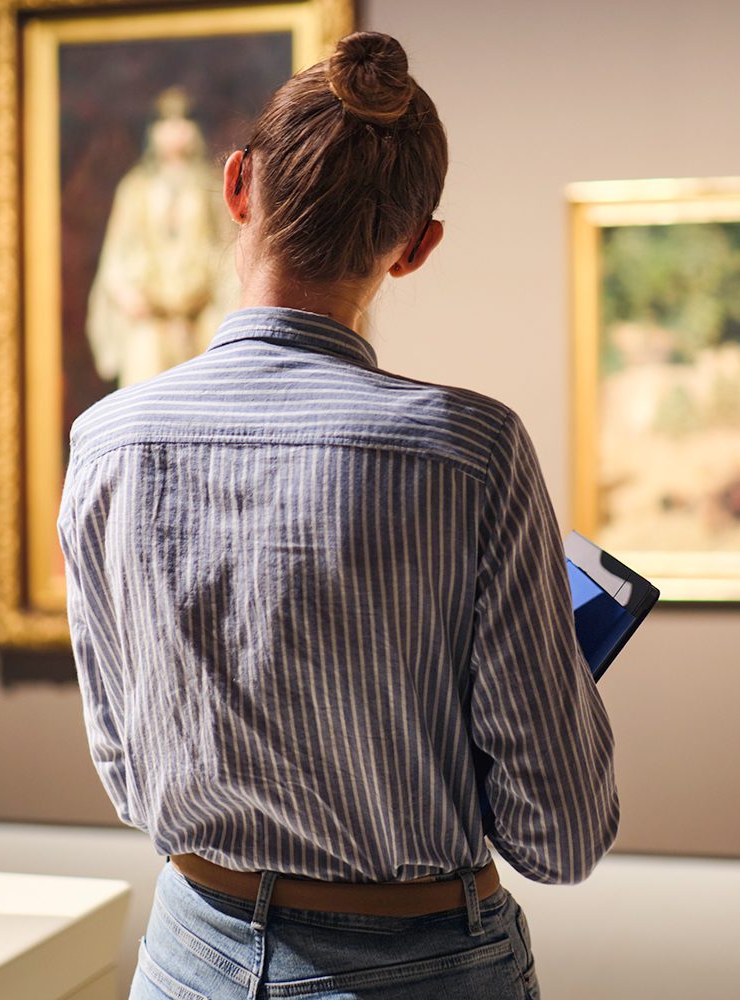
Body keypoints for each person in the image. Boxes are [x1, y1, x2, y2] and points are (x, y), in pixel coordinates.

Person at [59, 32, 617, 1000]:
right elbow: (559, 838)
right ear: (416, 244)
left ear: (236, 186)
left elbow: (125, 774)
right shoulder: (467, 449)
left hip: (189, 954)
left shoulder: (110, 439)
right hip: (423, 963)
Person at [86, 87, 227, 388]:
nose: (175, 131)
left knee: (205, 399)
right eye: (166, 123)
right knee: (144, 399)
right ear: (154, 132)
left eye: (183, 122)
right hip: (151, 322)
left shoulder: (211, 184)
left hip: (201, 318)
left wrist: (212, 295)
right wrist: (128, 295)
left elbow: (227, 249)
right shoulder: (136, 187)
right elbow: (116, 256)